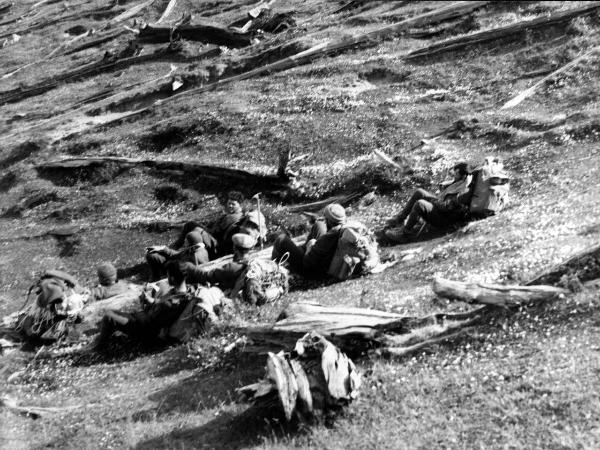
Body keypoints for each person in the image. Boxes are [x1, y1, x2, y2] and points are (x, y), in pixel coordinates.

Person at [91, 261, 194, 350]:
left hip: (144, 328)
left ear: (172, 278)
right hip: (152, 316)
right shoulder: (189, 291)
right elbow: (164, 306)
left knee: (109, 316)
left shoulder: (170, 304)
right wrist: (153, 301)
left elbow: (152, 319)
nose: (167, 278)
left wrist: (147, 304)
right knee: (161, 286)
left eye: (167, 276)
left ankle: (98, 348)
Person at [384, 162, 473, 244]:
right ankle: (399, 219)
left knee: (420, 204)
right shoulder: (461, 182)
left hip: (445, 219)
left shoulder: (462, 192)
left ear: (464, 176)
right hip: (443, 210)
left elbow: (445, 207)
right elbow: (447, 196)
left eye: (457, 174)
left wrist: (432, 201)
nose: (454, 176)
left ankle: (405, 234)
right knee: (419, 192)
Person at [271, 203, 346, 279]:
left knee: (281, 239)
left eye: (325, 217)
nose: (324, 218)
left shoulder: (326, 239)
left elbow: (307, 262)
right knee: (319, 224)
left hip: (312, 271)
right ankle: (297, 251)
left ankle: (273, 271)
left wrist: (310, 247)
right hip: (324, 262)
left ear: (329, 221)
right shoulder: (341, 229)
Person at [186, 233, 256, 295]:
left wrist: (190, 266)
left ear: (235, 248)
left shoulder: (232, 267)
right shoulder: (252, 262)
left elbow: (207, 276)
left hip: (225, 294)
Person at [146, 230, 210, 281]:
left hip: (176, 271)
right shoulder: (199, 249)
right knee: (154, 255)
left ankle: (155, 278)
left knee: (151, 256)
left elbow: (178, 257)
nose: (184, 242)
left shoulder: (194, 256)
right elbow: (179, 254)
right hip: (178, 264)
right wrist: (163, 248)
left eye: (186, 241)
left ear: (191, 243)